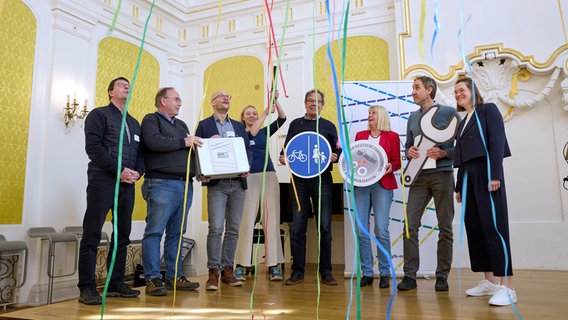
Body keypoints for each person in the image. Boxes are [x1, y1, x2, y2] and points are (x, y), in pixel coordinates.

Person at [78, 77, 144, 305]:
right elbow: (93, 148)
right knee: (92, 234)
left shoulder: (135, 123)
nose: (126, 86)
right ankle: (86, 287)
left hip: (128, 184)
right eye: (120, 84)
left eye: (128, 85)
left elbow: (141, 154)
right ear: (110, 92)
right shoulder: (98, 115)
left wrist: (137, 172)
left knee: (122, 236)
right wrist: (119, 171)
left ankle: (115, 283)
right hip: (102, 180)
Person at [453, 77, 517, 306]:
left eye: (461, 90)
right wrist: (459, 186)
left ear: (472, 91)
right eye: (455, 92)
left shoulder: (487, 110)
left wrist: (495, 174)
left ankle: (507, 286)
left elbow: (496, 141)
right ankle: (489, 281)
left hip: (487, 172)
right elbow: (463, 156)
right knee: (476, 228)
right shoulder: (463, 120)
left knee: (494, 227)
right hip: (469, 177)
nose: (458, 94)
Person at [398, 76, 461, 292]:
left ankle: (442, 276)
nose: (413, 91)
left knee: (445, 227)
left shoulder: (449, 113)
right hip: (418, 178)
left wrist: (444, 152)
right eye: (412, 88)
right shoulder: (412, 117)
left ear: (429, 90)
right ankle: (409, 276)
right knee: (410, 225)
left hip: (442, 175)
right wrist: (409, 152)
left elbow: (462, 147)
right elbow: (407, 146)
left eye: (417, 88)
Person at [140, 87, 202, 296]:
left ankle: (175, 276)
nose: (180, 103)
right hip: (161, 183)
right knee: (155, 232)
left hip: (185, 184)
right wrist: (183, 141)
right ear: (162, 101)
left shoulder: (182, 125)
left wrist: (200, 172)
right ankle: (153, 278)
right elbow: (153, 142)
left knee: (177, 233)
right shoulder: (151, 120)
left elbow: (188, 152)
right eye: (176, 99)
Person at [278, 89, 341, 286]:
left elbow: (339, 149)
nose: (314, 104)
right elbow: (287, 149)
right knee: (298, 227)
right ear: (305, 103)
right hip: (299, 182)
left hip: (323, 180)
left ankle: (326, 271)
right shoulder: (296, 124)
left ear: (323, 105)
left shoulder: (329, 126)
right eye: (310, 101)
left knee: (324, 227)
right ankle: (297, 271)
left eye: (318, 101)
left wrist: (336, 156)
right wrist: (283, 156)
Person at [195, 90, 252, 291]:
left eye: (228, 95)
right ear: (212, 102)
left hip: (238, 185)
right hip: (217, 185)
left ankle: (228, 270)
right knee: (216, 228)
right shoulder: (204, 125)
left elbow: (247, 150)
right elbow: (197, 151)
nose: (226, 97)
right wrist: (201, 173)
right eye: (221, 95)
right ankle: (213, 273)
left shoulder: (238, 125)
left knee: (234, 229)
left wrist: (247, 168)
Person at [234, 91, 286, 282]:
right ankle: (241, 265)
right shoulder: (241, 133)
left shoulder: (265, 132)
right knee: (246, 222)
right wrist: (266, 110)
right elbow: (252, 133)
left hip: (269, 177)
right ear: (242, 118)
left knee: (271, 222)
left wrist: (276, 100)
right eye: (248, 113)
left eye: (254, 113)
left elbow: (283, 118)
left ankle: (273, 265)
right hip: (249, 179)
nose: (252, 115)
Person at [353, 105, 401, 288]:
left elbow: (397, 161)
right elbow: (355, 159)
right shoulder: (360, 136)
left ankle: (384, 273)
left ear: (381, 115)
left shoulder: (393, 136)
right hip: (362, 186)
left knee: (381, 229)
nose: (369, 116)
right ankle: (366, 272)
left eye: (373, 113)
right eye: (369, 113)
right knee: (361, 229)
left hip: (383, 185)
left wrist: (392, 166)